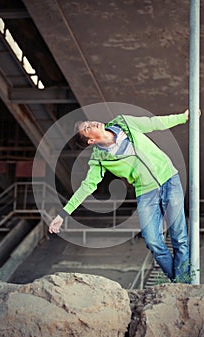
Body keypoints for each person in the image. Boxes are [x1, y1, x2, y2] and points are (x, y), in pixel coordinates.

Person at [49, 109, 190, 282]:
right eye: (86, 128)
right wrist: (63, 214)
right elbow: (87, 187)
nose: (91, 123)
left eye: (89, 122)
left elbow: (153, 123)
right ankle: (179, 281)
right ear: (91, 140)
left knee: (179, 235)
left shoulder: (123, 123)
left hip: (168, 178)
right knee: (152, 240)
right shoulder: (99, 159)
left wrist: (182, 118)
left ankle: (183, 282)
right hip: (146, 192)